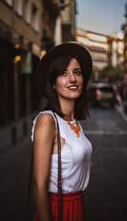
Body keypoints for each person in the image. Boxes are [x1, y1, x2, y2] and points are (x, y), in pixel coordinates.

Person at [31, 42, 93, 221]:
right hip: (57, 209)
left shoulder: (75, 123)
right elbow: (39, 185)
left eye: (77, 72)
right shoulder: (47, 120)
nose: (72, 79)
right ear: (52, 83)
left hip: (76, 206)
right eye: (63, 73)